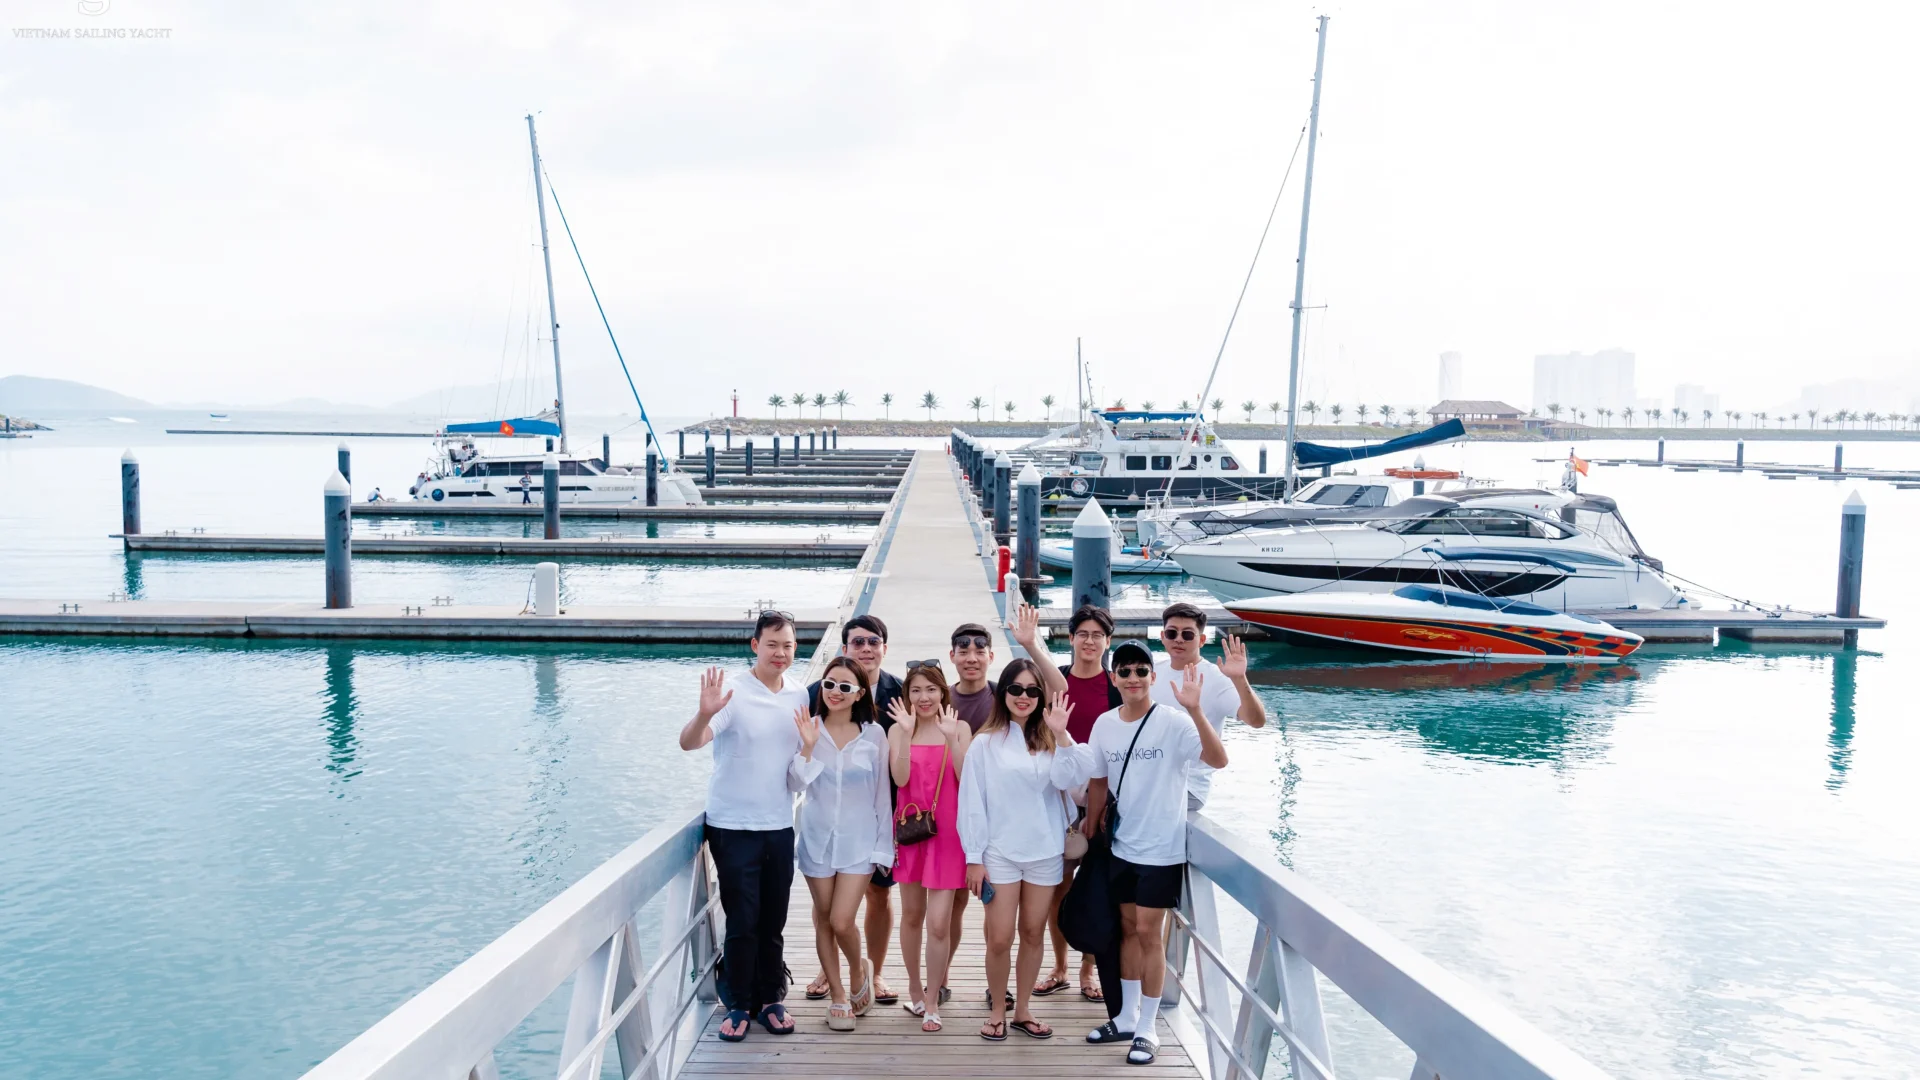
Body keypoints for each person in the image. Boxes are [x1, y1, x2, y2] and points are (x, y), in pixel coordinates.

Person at [1062, 640, 1229, 1065]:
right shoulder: (1103, 724)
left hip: (1161, 849)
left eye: (1141, 671)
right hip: (1121, 845)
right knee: (1126, 927)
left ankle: (1149, 1028)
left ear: (1153, 677)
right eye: (1125, 672)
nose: (1133, 678)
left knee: (1149, 933)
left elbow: (1218, 758)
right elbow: (1098, 781)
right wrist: (1092, 827)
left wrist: (1195, 709)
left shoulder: (1173, 722)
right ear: (1113, 678)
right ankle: (1126, 1017)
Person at [677, 611, 809, 1041]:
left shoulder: (798, 695)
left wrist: (810, 751)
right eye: (773, 644)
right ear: (755, 645)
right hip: (732, 825)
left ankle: (770, 998)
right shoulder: (732, 690)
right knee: (742, 918)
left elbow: (795, 770)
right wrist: (703, 714)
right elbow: (690, 742)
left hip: (777, 823)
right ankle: (736, 1004)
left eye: (788, 645)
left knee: (773, 919)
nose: (781, 653)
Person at [958, 658, 1078, 1042]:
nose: (1024, 697)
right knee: (999, 936)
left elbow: (1068, 781)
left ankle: (1023, 1009)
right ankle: (998, 1008)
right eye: (1016, 689)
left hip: (1044, 851)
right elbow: (972, 802)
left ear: (1041, 696)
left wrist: (1061, 737)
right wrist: (974, 858)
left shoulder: (1050, 739)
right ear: (1003, 692)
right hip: (1000, 852)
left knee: (1032, 932)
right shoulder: (984, 743)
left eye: (1032, 691)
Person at [802, 615, 907, 1006]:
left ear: (883, 647)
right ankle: (832, 976)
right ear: (845, 647)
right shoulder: (816, 694)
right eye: (857, 641)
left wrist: (889, 839)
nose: (866, 648)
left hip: (878, 820)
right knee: (825, 911)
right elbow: (796, 774)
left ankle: (872, 973)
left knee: (878, 899)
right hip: (822, 828)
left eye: (873, 641)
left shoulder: (900, 693)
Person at [790, 658, 891, 1032]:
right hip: (816, 840)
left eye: (846, 686)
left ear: (860, 694)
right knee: (823, 920)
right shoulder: (807, 729)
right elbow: (795, 785)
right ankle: (837, 997)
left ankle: (857, 969)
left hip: (859, 843)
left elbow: (882, 798)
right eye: (830, 683)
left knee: (841, 920)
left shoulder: (874, 735)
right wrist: (808, 747)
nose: (835, 691)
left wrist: (884, 849)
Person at [1039, 605, 1123, 1005]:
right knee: (1058, 885)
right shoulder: (1055, 681)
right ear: (1070, 638)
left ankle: (1088, 969)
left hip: (1101, 801)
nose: (1089, 641)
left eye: (1097, 635)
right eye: (1082, 634)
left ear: (1107, 642)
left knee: (1094, 889)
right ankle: (1059, 967)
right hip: (1057, 797)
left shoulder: (1115, 686)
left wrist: (1096, 808)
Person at [887, 664, 971, 1033]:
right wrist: (905, 736)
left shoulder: (960, 727)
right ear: (908, 694)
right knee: (911, 915)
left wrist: (953, 740)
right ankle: (914, 986)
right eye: (917, 690)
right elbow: (901, 779)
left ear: (943, 693)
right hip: (910, 831)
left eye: (931, 690)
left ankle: (934, 999)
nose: (924, 698)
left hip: (948, 834)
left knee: (939, 922)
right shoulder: (897, 729)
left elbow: (966, 778)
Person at [1153, 602, 1266, 810]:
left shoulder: (1216, 678)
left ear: (1202, 640)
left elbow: (1257, 721)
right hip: (1152, 779)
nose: (1178, 639)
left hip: (1188, 787)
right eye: (1172, 633)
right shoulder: (1153, 673)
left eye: (1187, 635)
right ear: (1162, 637)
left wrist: (1240, 679)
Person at [948, 603, 1065, 731]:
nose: (971, 659)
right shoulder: (941, 698)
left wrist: (1031, 646)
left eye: (980, 652)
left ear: (991, 657)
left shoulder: (1006, 696)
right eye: (963, 653)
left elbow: (1059, 687)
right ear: (952, 656)